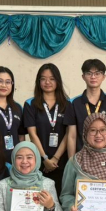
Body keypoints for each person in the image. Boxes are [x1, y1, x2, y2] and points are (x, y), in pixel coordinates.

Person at [24, 63, 70, 194]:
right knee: (38, 198)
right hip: (38, 162)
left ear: (58, 81)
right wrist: (45, 159)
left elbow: (68, 134)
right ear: (38, 81)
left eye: (52, 79)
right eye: (43, 79)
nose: (47, 82)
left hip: (61, 161)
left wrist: (55, 158)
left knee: (60, 198)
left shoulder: (67, 104)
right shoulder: (30, 104)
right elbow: (32, 134)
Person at [65, 59, 106, 158]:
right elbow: (71, 135)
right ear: (83, 77)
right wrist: (72, 161)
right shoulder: (73, 103)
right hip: (82, 157)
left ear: (104, 77)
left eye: (97, 73)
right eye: (89, 73)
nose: (93, 77)